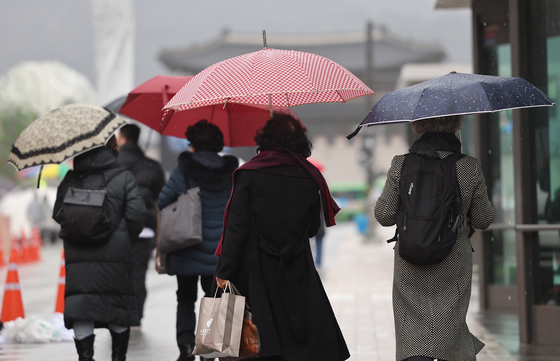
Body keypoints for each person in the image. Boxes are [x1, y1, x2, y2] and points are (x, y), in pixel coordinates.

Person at [214, 113, 350, 361]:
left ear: (264, 139)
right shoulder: (310, 176)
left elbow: (237, 227)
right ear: (300, 142)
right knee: (298, 339)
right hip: (297, 265)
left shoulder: (249, 174)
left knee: (264, 339)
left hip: (257, 270)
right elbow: (311, 228)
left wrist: (224, 269)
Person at [374, 115, 495, 361]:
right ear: (456, 125)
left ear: (418, 126)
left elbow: (384, 215)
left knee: (413, 325)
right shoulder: (468, 166)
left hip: (411, 259)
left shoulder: (401, 164)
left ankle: (415, 356)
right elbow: (483, 219)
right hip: (453, 259)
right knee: (450, 321)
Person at [53, 135, 146, 361]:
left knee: (82, 305)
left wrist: (81, 227)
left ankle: (85, 357)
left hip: (78, 255)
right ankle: (117, 357)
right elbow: (137, 215)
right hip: (116, 254)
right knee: (117, 305)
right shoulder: (123, 177)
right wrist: (124, 237)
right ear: (112, 148)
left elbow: (58, 213)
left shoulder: (71, 178)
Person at [157, 120, 238, 361]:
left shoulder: (183, 170)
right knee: (213, 297)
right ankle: (208, 349)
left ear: (192, 144)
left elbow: (163, 201)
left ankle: (184, 346)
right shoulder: (231, 172)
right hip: (218, 249)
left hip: (186, 244)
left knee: (185, 297)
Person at [117, 123, 165, 327]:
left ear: (122, 139)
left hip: (117, 230)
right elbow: (162, 199)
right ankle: (136, 316)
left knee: (118, 273)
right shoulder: (151, 165)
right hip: (144, 229)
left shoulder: (113, 164)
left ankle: (119, 314)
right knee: (138, 274)